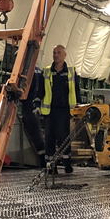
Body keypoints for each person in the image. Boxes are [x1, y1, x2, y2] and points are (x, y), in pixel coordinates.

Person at [39, 45, 81, 174]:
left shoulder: (71, 72)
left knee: (62, 136)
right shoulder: (46, 72)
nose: (56, 55)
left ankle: (67, 162)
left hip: (64, 111)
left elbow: (76, 91)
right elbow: (40, 91)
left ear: (64, 55)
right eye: (54, 52)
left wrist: (79, 108)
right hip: (49, 111)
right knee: (49, 137)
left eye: (58, 52)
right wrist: (36, 105)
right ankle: (51, 165)